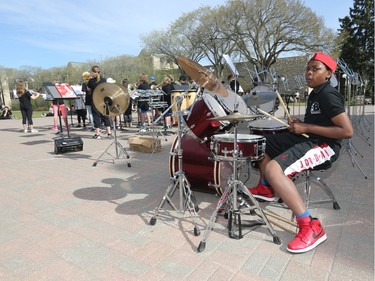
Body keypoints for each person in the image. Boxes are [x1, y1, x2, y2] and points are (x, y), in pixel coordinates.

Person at [247, 52, 353, 253]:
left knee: (273, 169)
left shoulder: (328, 94)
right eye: (308, 69)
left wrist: (306, 128)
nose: (309, 73)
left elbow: (347, 131)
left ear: (329, 74)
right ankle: (266, 188)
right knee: (262, 143)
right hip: (311, 139)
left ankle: (311, 226)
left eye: (316, 69)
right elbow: (315, 123)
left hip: (325, 147)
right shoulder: (316, 93)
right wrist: (301, 125)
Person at [87, 65, 112, 139]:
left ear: (93, 72)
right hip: (104, 99)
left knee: (96, 116)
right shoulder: (104, 80)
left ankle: (97, 134)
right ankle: (109, 133)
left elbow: (88, 88)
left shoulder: (91, 81)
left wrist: (90, 78)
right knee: (106, 115)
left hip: (95, 100)